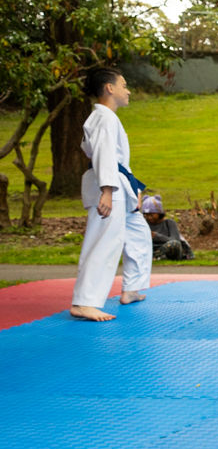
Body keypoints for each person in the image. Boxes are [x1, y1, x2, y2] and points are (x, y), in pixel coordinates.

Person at [70, 68, 151, 321]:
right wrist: (107, 190)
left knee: (138, 234)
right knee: (104, 243)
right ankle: (84, 302)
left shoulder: (103, 117)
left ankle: (132, 288)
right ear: (109, 88)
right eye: (124, 85)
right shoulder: (103, 118)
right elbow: (104, 155)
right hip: (109, 187)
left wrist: (132, 190)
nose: (127, 90)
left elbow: (113, 160)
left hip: (118, 185)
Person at [141, 195, 193, 260]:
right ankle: (154, 256)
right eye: (146, 215)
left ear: (159, 213)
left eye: (151, 215)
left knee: (174, 244)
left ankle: (158, 257)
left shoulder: (169, 223)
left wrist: (156, 236)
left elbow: (176, 241)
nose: (149, 217)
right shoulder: (144, 224)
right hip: (152, 249)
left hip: (169, 250)